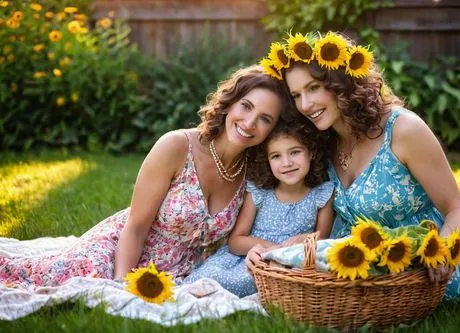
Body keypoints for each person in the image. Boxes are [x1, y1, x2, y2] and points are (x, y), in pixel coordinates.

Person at [255, 31, 460, 301]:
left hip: (421, 263)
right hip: (359, 264)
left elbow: (457, 208)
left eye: (313, 88)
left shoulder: (403, 130)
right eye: (296, 95)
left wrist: (440, 251)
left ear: (340, 82)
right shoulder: (323, 140)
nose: (305, 104)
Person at [0, 65, 288, 289]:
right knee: (37, 278)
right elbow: (135, 227)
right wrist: (122, 284)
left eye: (265, 119)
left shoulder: (253, 172)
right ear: (230, 102)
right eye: (246, 106)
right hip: (121, 255)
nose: (250, 123)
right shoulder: (176, 147)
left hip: (182, 275)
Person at [183, 118, 334, 297]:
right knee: (213, 277)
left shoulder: (321, 194)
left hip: (293, 260)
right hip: (250, 256)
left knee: (274, 282)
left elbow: (323, 238)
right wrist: (274, 249)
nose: (286, 163)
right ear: (268, 161)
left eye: (295, 152)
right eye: (276, 156)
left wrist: (293, 249)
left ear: (311, 153)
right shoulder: (260, 192)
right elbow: (236, 241)